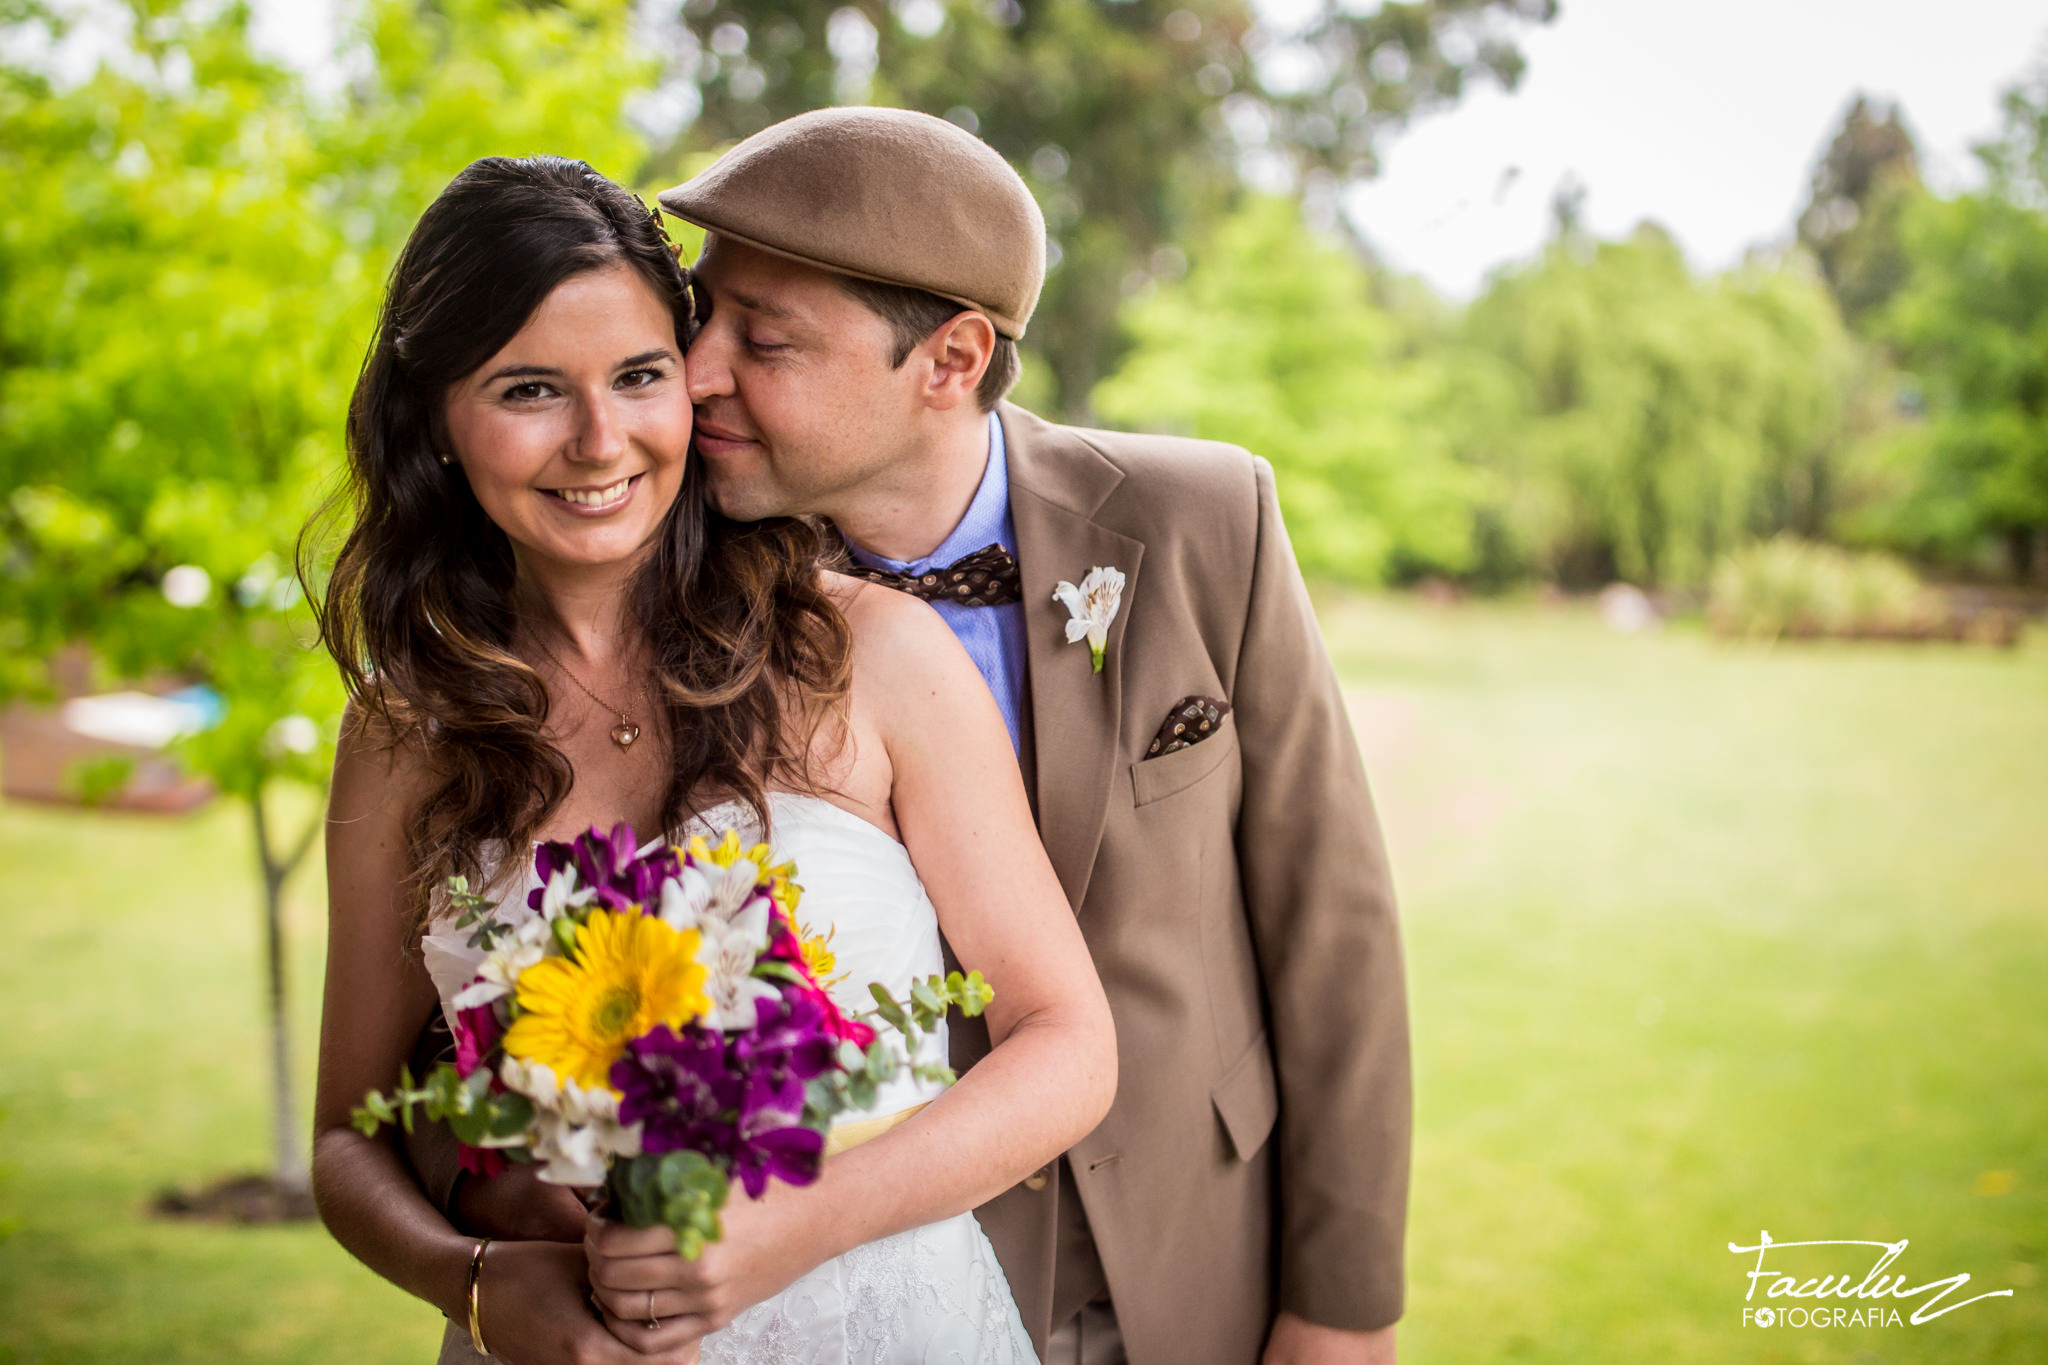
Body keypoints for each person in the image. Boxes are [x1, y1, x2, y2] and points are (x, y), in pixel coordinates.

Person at [425, 108, 1413, 1365]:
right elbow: (482, 978)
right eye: (701, 314)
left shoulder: (1200, 521)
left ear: (949, 361)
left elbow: (1331, 932)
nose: (698, 369)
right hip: (840, 1291)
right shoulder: (656, 578)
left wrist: (1342, 1310)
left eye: (762, 339)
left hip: (1180, 1268)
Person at [305, 153, 1115, 1365]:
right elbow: (344, 1141)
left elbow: (1065, 1044)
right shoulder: (404, 731)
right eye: (529, 389)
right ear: (435, 422)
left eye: (639, 376)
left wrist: (797, 1225)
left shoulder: (865, 652)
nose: (599, 441)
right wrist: (472, 1282)